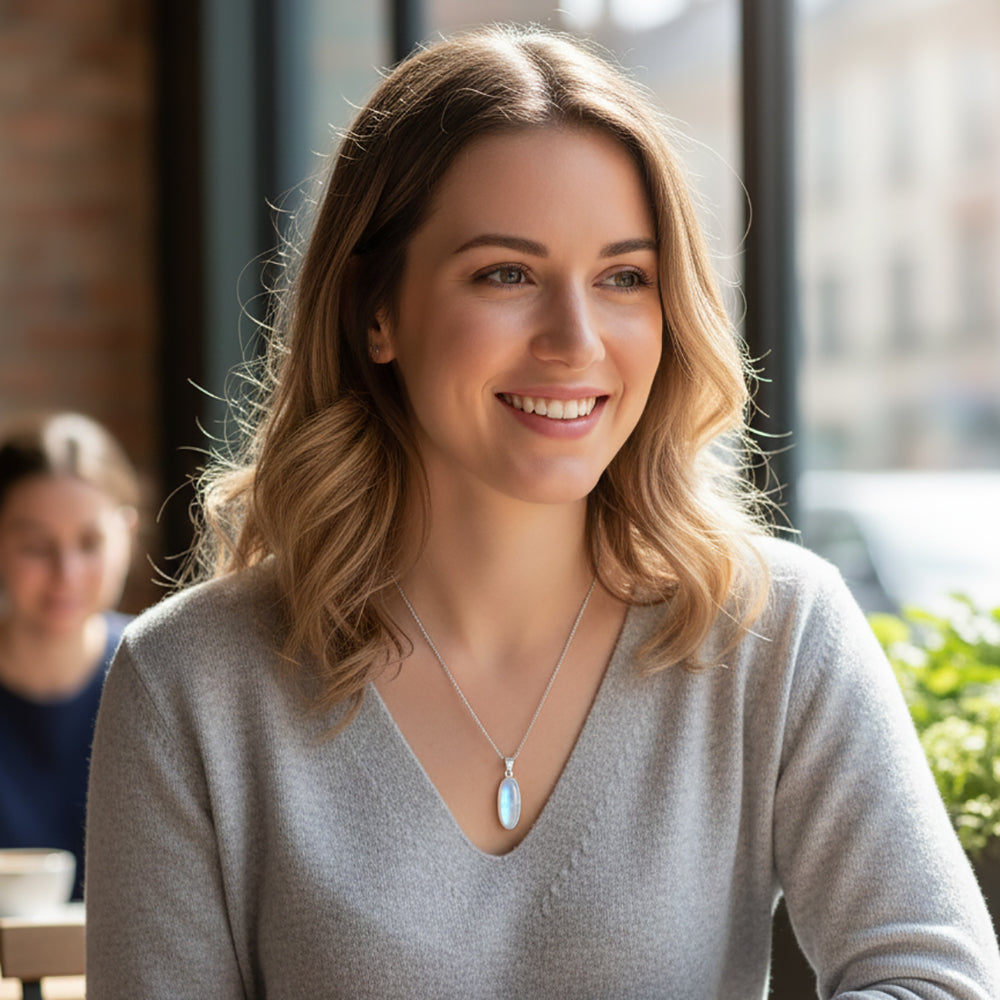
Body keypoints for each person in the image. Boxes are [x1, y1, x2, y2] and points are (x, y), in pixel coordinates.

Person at [85, 25, 1000, 999]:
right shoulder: (188, 681)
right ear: (373, 312)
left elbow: (934, 979)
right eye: (505, 274)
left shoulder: (774, 630)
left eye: (623, 278)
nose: (575, 339)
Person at [0, 411, 139, 901]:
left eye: (90, 543)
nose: (67, 573)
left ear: (127, 535)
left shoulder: (160, 678)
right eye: (36, 547)